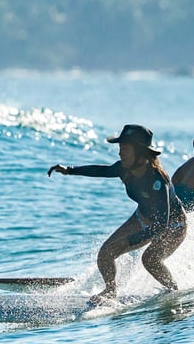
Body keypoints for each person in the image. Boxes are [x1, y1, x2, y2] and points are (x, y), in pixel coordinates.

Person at [49, 124, 186, 304]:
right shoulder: (123, 168)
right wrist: (70, 170)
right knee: (106, 253)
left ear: (140, 152)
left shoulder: (158, 180)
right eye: (120, 148)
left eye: (125, 149)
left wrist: (129, 241)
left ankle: (174, 291)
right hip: (143, 217)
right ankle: (110, 291)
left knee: (150, 260)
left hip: (173, 225)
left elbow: (160, 224)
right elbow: (102, 170)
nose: (120, 153)